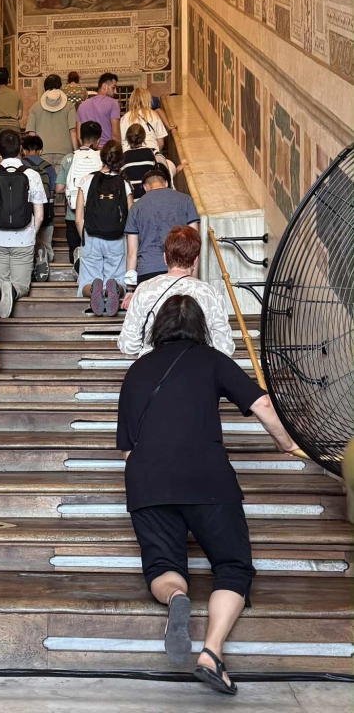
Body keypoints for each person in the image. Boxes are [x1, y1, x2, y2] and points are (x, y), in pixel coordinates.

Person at [116, 295, 299, 694]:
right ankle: (211, 654)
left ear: (158, 329)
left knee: (162, 566)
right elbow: (262, 402)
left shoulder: (136, 371)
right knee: (233, 566)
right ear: (200, 327)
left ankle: (176, 596)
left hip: (146, 480)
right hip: (206, 478)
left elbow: (127, 449)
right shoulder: (211, 360)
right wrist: (286, 444)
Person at [119, 226, 235, 357]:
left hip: (155, 365)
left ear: (165, 258)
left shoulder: (144, 289)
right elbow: (225, 348)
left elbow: (128, 345)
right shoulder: (211, 293)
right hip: (198, 365)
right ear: (195, 260)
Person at [0, 129, 46, 318]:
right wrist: (31, 233)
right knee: (22, 285)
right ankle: (13, 290)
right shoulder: (32, 175)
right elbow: (39, 215)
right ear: (21, 149)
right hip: (23, 239)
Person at [122, 168, 200, 300]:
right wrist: (194, 278)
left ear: (145, 187)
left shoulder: (136, 207)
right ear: (166, 183)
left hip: (147, 271)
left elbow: (131, 253)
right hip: (181, 270)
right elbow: (194, 243)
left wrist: (130, 289)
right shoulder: (185, 200)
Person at [75, 140, 133, 316]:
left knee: (86, 281)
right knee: (120, 280)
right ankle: (114, 287)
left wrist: (86, 237)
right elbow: (131, 217)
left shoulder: (86, 180)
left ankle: (94, 288)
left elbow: (78, 218)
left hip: (91, 236)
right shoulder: (123, 183)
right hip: (117, 238)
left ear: (101, 157)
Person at [55, 120, 103, 270]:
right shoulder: (103, 158)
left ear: (80, 139)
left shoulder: (69, 158)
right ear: (98, 140)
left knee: (75, 251)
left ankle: (78, 271)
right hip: (98, 215)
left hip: (73, 214)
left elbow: (58, 188)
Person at [21, 134, 57, 282]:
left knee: (25, 245)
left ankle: (32, 260)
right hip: (45, 210)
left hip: (23, 213)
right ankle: (45, 253)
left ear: (23, 150)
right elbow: (53, 190)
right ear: (40, 150)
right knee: (46, 242)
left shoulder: (20, 166)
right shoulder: (48, 167)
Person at [25, 74, 78, 171]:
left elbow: (31, 134)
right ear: (60, 87)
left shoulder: (35, 107)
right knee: (63, 180)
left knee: (45, 179)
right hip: (65, 152)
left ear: (45, 88)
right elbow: (73, 131)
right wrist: (76, 152)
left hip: (43, 152)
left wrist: (32, 154)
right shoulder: (69, 106)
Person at [122, 123, 167, 200]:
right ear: (144, 137)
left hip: (132, 198)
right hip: (149, 197)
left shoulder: (123, 156)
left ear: (127, 138)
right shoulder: (151, 152)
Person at [76, 73, 120, 146]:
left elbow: (79, 136)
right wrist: (117, 150)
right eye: (113, 88)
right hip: (106, 149)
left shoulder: (82, 105)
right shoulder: (113, 103)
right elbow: (115, 134)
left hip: (87, 150)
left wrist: (87, 149)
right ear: (104, 86)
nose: (115, 92)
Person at [120, 87, 167, 154]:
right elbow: (161, 143)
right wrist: (155, 154)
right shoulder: (154, 115)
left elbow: (122, 141)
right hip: (150, 152)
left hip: (129, 154)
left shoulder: (125, 118)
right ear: (147, 99)